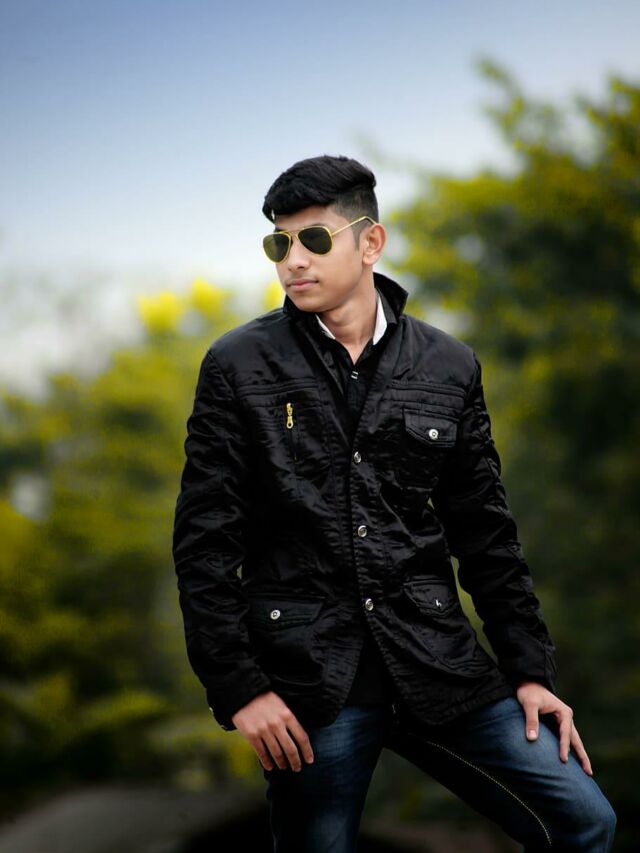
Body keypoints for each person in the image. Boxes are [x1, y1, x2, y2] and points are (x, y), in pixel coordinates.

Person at [172, 154, 616, 852]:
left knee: (586, 820)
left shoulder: (448, 365)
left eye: (313, 239)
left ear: (370, 242)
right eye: (278, 243)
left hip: (436, 664)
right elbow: (204, 545)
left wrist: (531, 672)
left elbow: (487, 535)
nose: (294, 260)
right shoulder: (238, 365)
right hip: (311, 681)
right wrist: (240, 689)